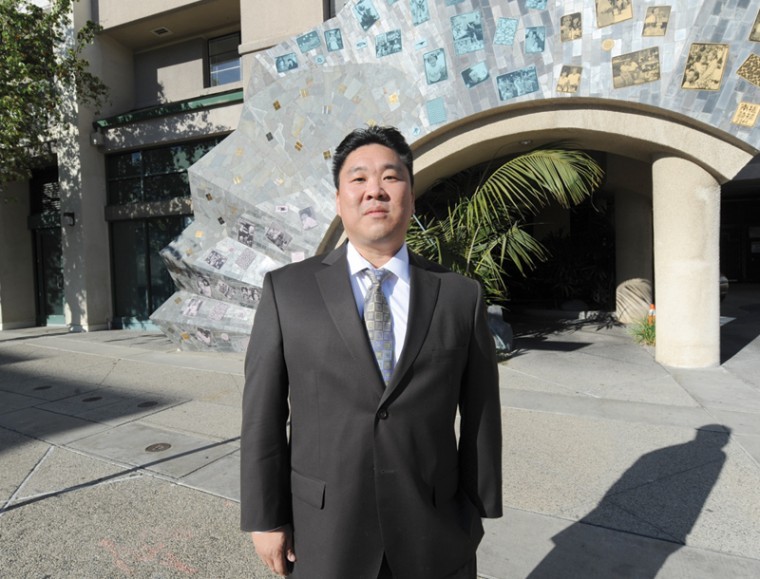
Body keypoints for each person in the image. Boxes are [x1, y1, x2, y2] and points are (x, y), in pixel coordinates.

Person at [240, 125, 503, 578]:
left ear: (411, 197)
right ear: (339, 200)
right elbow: (262, 414)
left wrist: (476, 509)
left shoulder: (460, 295)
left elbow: (481, 410)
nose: (374, 190)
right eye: (358, 178)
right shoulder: (287, 291)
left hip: (434, 528)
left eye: (391, 177)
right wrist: (265, 517)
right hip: (325, 530)